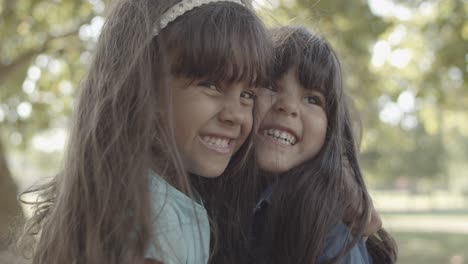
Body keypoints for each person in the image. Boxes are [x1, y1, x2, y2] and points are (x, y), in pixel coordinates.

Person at [18, 0, 272, 263]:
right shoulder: (149, 216)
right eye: (211, 85)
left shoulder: (150, 194)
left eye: (247, 95)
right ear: (145, 87)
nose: (236, 115)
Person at [250, 26, 398, 263]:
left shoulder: (329, 233)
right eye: (271, 86)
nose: (288, 106)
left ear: (331, 130)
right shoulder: (211, 195)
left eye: (312, 99)